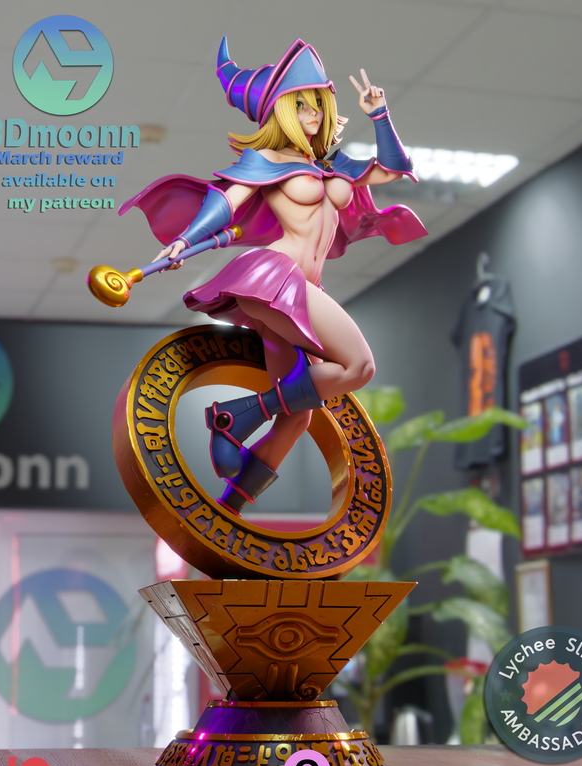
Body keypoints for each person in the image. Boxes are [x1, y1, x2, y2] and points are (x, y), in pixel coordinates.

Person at [120, 37, 426, 515]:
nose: (312, 114)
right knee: (359, 367)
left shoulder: (333, 165)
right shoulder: (268, 161)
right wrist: (184, 240)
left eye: (316, 104)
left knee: (297, 418)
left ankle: (229, 510)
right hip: (275, 279)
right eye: (299, 105)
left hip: (302, 291)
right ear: (280, 112)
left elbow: (393, 169)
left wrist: (380, 114)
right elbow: (225, 203)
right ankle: (239, 415)